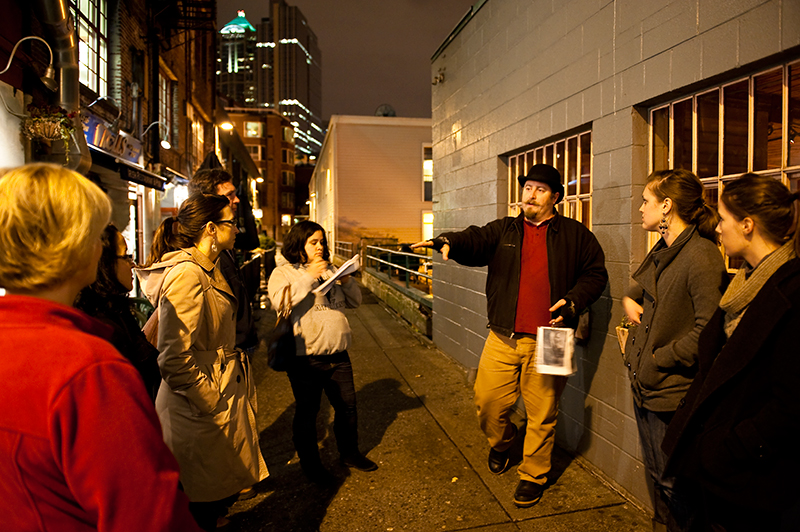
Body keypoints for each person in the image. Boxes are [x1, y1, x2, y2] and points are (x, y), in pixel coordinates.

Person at [0, 163, 200, 531]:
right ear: (74, 245)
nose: (102, 245)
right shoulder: (89, 371)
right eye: (98, 234)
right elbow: (149, 515)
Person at [412, 163, 608, 508]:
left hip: (553, 339)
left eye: (540, 189)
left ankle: (533, 475)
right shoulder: (504, 230)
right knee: (488, 403)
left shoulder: (577, 236)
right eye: (527, 187)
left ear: (556, 197)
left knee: (544, 412)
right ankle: (503, 443)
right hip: (503, 335)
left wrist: (575, 301)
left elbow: (595, 275)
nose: (530, 194)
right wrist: (448, 241)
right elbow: (474, 239)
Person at [662, 173, 800, 531]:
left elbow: (790, 404)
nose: (718, 228)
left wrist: (733, 447)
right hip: (717, 466)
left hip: (748, 478)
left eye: (723, 219)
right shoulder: (744, 282)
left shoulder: (791, 293)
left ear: (748, 225)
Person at [137, 193, 268, 530]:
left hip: (214, 395)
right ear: (211, 229)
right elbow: (174, 357)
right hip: (197, 408)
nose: (237, 229)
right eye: (230, 222)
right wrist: (211, 399)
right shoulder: (188, 275)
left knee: (213, 498)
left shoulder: (208, 267)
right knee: (198, 505)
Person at [621, 169, 727, 532]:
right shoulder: (665, 248)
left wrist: (658, 359)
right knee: (657, 477)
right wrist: (627, 301)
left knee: (673, 484)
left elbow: (707, 330)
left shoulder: (700, 255)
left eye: (646, 201)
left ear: (666, 206)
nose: (640, 208)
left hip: (669, 391)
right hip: (645, 386)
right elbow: (638, 290)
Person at [267, 221, 375, 485]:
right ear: (299, 244)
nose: (319, 247)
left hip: (338, 353)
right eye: (313, 242)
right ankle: (311, 464)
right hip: (306, 356)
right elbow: (279, 301)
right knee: (308, 412)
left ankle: (349, 453)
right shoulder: (284, 273)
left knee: (347, 407)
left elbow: (355, 302)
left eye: (322, 242)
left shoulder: (331, 269)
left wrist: (346, 279)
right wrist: (308, 276)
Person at [75, 224, 161, 402]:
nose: (133, 264)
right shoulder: (100, 325)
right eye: (126, 257)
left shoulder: (117, 311)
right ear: (105, 262)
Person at [189, 168, 258, 355]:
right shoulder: (196, 260)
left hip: (237, 347)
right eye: (229, 195)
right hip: (227, 353)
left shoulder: (224, 246)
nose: (236, 200)